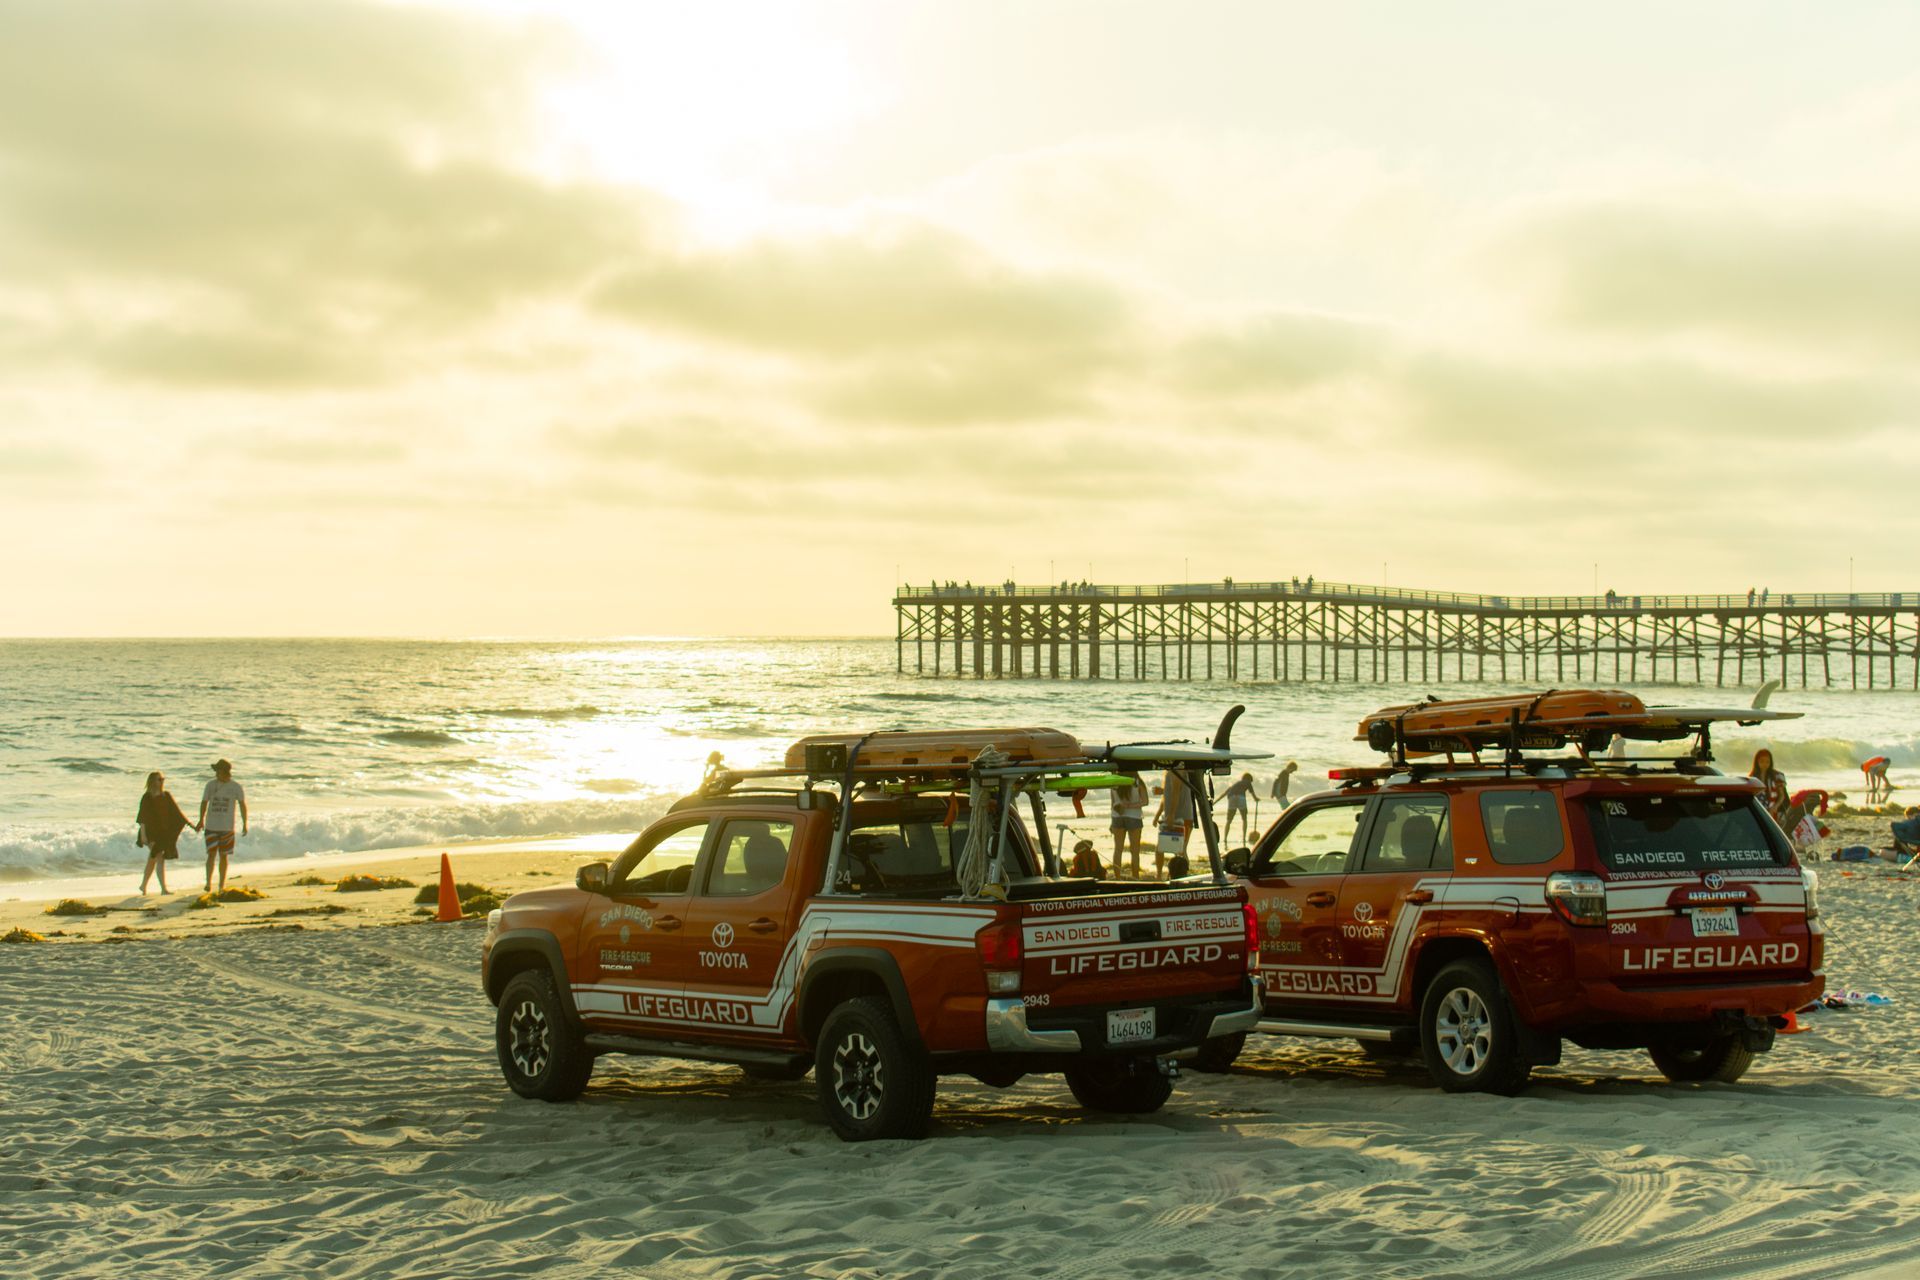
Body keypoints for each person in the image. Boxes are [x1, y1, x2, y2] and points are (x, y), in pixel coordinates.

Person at [135, 771, 196, 895]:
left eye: (163, 779)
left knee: (152, 859)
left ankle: (143, 885)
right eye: (159, 779)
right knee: (159, 858)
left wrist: (191, 825)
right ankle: (163, 889)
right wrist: (143, 836)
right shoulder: (147, 797)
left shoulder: (166, 795)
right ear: (152, 781)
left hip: (163, 833)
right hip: (151, 832)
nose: (162, 782)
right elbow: (142, 818)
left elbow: (177, 812)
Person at [198, 758, 248, 892]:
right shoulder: (210, 785)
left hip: (227, 827)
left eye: (217, 771)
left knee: (224, 856)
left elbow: (242, 805)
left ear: (224, 772)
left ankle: (221, 884)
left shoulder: (235, 787)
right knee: (211, 854)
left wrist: (245, 823)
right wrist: (200, 820)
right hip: (211, 826)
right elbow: (204, 803)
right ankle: (208, 883)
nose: (216, 774)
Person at [1150, 771, 1193, 877]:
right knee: (1161, 847)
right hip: (1172, 815)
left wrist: (1172, 814)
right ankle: (1159, 875)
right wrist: (1158, 814)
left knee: (1181, 849)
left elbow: (1176, 792)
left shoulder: (1177, 770)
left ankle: (1181, 875)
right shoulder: (1169, 772)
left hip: (1182, 816)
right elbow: (1168, 796)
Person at [1109, 779, 1147, 876]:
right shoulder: (1137, 782)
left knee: (1118, 849)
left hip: (1117, 816)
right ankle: (1135, 876)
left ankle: (1117, 877)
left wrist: (1111, 821)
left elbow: (1113, 803)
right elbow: (1145, 801)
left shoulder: (1114, 781)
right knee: (1135, 851)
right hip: (1134, 816)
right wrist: (1130, 805)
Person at [1747, 749, 1789, 827]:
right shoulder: (1752, 777)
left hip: (1774, 811)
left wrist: (1774, 807)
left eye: (1767, 762)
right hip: (1759, 810)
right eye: (1762, 761)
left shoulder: (1777, 776)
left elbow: (1782, 796)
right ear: (1757, 762)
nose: (1765, 764)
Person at [1215, 772, 1256, 844]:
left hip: (1232, 798)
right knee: (1244, 819)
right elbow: (1252, 793)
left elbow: (1224, 794)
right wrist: (1256, 799)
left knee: (1229, 820)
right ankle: (1244, 838)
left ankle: (1225, 838)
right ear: (1249, 779)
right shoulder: (1247, 782)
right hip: (1241, 798)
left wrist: (1214, 803)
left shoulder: (1235, 785)